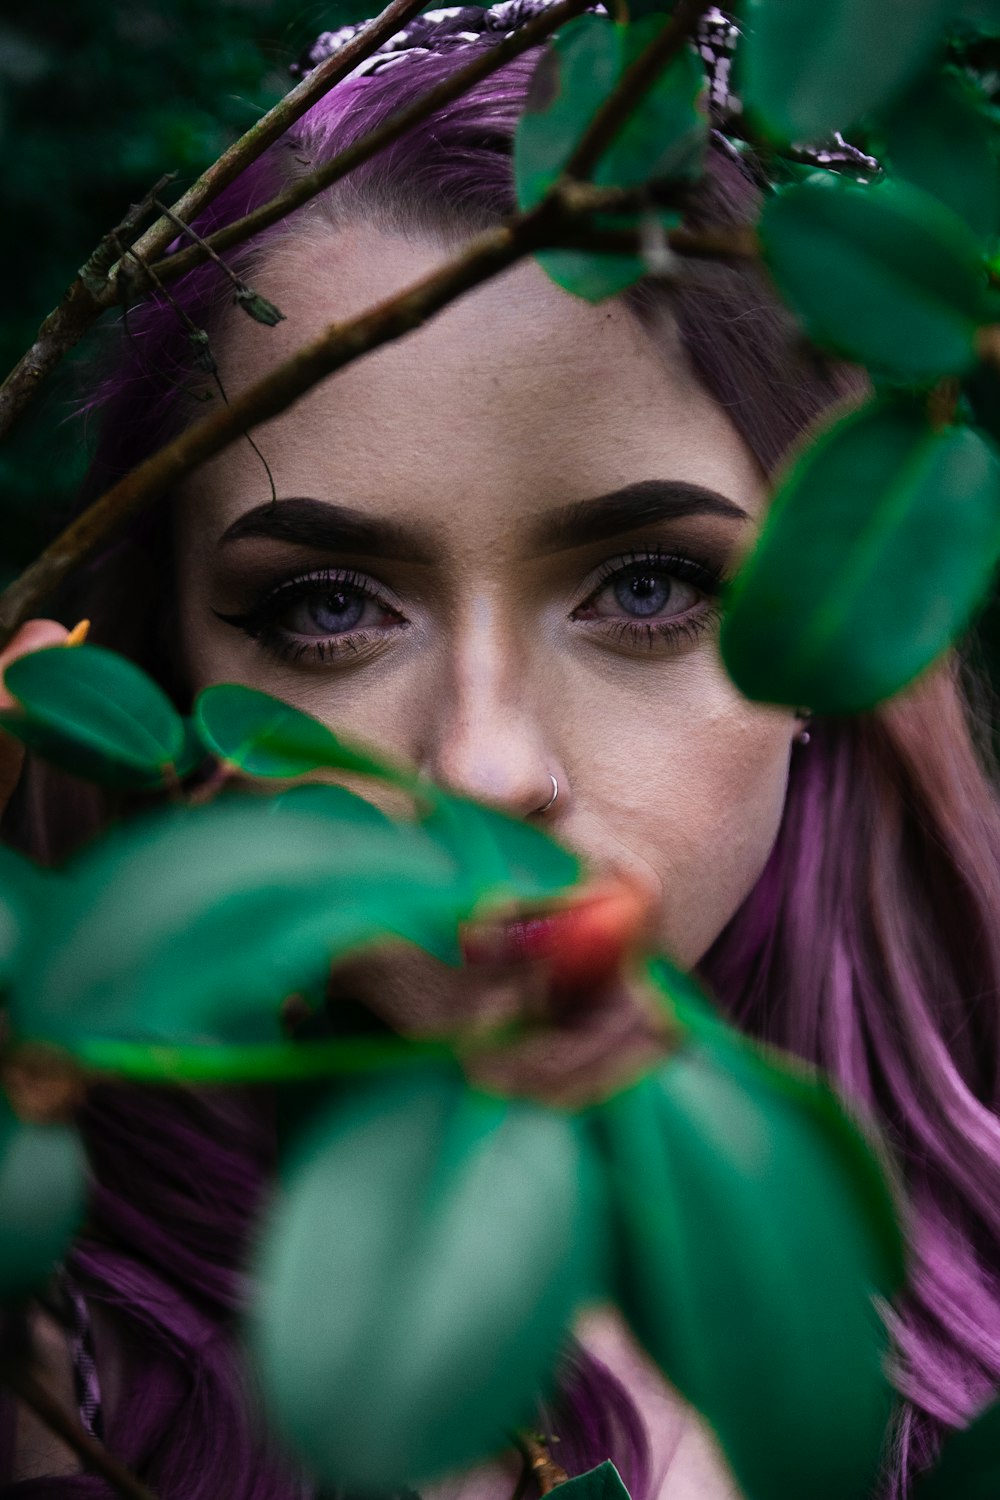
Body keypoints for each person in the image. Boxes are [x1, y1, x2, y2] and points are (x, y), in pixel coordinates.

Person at [3, 4, 1000, 1495]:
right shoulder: (53, 1379)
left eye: (652, 586)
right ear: (167, 666)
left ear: (831, 630)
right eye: (327, 606)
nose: (482, 770)